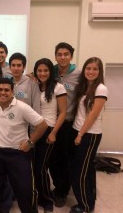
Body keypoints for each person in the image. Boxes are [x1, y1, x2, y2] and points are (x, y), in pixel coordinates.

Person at [0, 78, 48, 213]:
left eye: (7, 90)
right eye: (0, 90)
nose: (3, 93)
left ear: (12, 92)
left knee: (25, 190)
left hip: (18, 154)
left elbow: (43, 125)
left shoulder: (22, 107)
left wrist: (30, 142)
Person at [69, 57, 108, 213]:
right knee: (87, 168)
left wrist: (80, 134)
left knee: (81, 171)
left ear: (99, 72)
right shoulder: (84, 86)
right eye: (88, 68)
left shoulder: (101, 89)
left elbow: (93, 114)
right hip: (78, 130)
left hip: (89, 135)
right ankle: (90, 199)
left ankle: (84, 205)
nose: (91, 72)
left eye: (95, 69)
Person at [49, 42, 81, 207]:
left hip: (68, 124)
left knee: (64, 159)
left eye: (66, 54)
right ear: (55, 56)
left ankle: (62, 191)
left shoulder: (79, 74)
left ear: (71, 56)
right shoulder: (50, 71)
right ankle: (57, 186)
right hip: (50, 122)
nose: (62, 57)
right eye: (59, 54)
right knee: (51, 159)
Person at [33, 58, 67, 213]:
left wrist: (53, 133)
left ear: (51, 71)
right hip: (34, 130)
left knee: (41, 168)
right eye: (39, 70)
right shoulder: (34, 85)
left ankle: (46, 200)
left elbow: (63, 112)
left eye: (45, 70)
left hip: (48, 130)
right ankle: (36, 195)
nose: (42, 73)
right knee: (33, 167)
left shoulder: (58, 87)